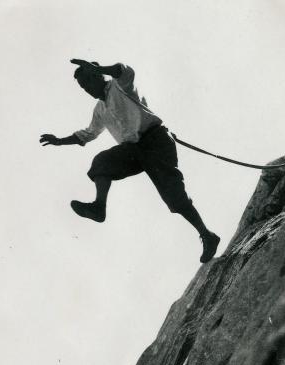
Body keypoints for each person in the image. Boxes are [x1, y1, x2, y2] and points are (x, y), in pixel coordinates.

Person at [40, 59, 220, 263]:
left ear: (99, 76)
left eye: (89, 81)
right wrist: (59, 141)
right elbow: (88, 134)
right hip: (134, 150)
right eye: (83, 86)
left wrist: (98, 68)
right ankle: (99, 207)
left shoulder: (119, 85)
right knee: (101, 163)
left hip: (155, 141)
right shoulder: (99, 110)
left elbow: (123, 71)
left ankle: (207, 235)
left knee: (175, 198)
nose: (87, 89)